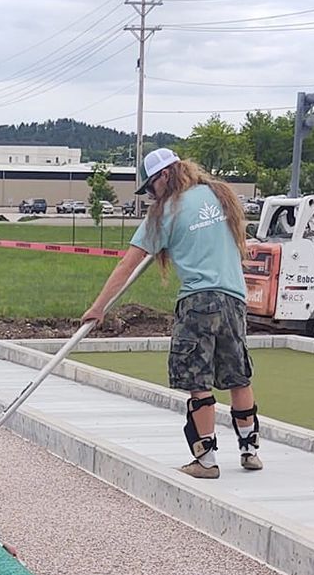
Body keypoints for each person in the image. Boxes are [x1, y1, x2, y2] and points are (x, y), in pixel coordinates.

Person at [81, 147, 261, 479]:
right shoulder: (219, 194)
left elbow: (127, 265)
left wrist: (98, 307)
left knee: (197, 380)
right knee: (238, 375)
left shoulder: (165, 212)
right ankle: (250, 450)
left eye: (150, 187)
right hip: (234, 299)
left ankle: (206, 460)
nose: (150, 195)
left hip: (197, 303)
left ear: (164, 176)